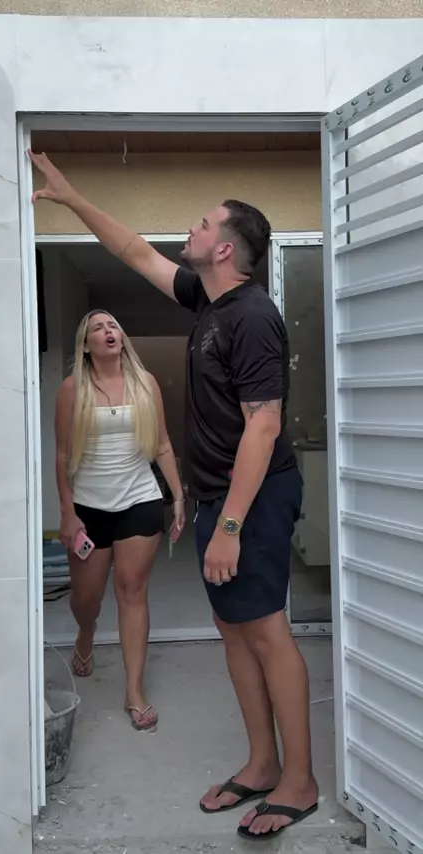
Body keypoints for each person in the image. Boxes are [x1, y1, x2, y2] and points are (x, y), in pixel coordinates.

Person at [30, 150, 318, 840]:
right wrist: (71, 197)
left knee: (267, 631)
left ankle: (300, 782)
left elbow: (264, 425)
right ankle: (261, 764)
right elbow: (133, 252)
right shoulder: (207, 302)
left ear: (224, 249)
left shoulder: (253, 316)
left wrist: (231, 527)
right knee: (233, 630)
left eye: (202, 224)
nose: (190, 229)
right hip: (222, 495)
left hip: (255, 496)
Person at [55, 308, 185, 731]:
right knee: (86, 599)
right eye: (98, 327)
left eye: (113, 325)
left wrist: (177, 495)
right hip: (89, 508)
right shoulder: (72, 389)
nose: (108, 331)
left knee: (132, 591)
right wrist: (68, 513)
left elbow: (161, 444)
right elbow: (62, 455)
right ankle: (86, 633)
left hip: (139, 500)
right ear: (86, 344)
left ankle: (134, 691)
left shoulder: (145, 382)